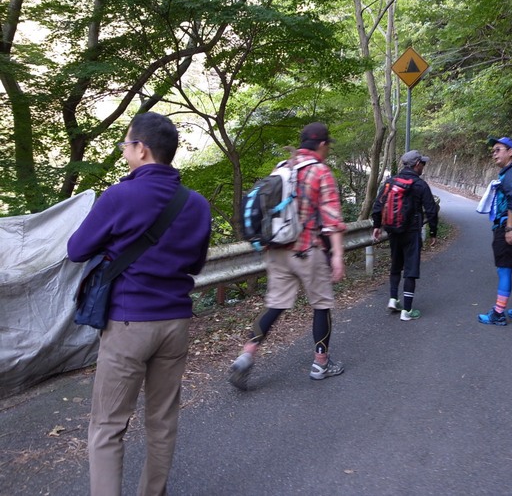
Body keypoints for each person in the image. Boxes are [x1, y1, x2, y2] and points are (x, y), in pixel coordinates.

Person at [67, 112, 212, 496]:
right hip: (176, 323)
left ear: (141, 149)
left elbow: (76, 249)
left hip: (129, 323)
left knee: (108, 426)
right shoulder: (196, 204)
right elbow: (196, 263)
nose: (124, 151)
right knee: (162, 421)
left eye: (125, 144)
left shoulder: (120, 195)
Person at [229, 121, 347, 389]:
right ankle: (321, 363)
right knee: (321, 304)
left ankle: (246, 355)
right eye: (327, 146)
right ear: (322, 144)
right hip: (308, 250)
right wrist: (338, 255)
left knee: (275, 305)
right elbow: (331, 220)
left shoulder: (282, 167)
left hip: (276, 251)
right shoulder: (320, 171)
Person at [371, 149, 439, 321]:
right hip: (412, 232)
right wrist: (433, 232)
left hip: (392, 230)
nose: (423, 166)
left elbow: (378, 206)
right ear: (416, 164)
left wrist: (377, 226)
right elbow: (431, 210)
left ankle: (393, 299)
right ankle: (407, 311)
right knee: (410, 269)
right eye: (422, 163)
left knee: (396, 265)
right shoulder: (420, 184)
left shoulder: (390, 181)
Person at [478, 136, 512, 326]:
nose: (494, 154)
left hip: (508, 227)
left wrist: (509, 228)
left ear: (510, 152)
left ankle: (498, 313)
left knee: (504, 269)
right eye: (493, 151)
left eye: (498, 150)